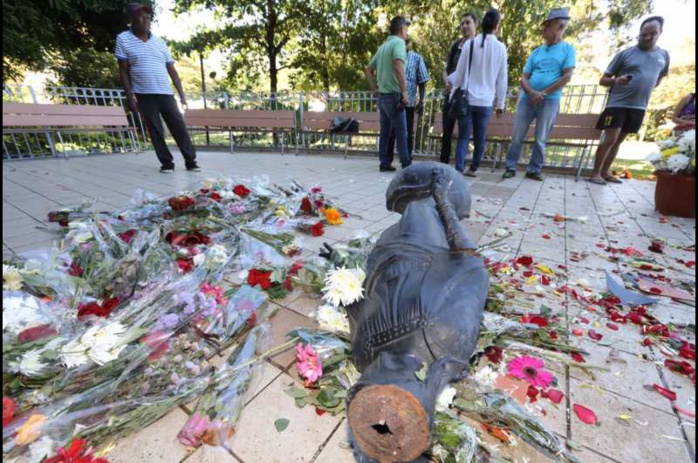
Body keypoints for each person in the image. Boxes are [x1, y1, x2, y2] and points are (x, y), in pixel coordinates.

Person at [115, 2, 200, 174]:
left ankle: (191, 161)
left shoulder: (160, 43)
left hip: (166, 93)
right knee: (155, 131)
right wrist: (131, 98)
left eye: (148, 17)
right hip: (144, 94)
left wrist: (182, 95)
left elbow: (172, 70)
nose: (146, 20)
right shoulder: (123, 39)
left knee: (179, 127)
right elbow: (123, 71)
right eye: (141, 16)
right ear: (132, 18)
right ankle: (167, 163)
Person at [588, 16, 670, 185]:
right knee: (610, 139)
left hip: (639, 106)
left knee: (619, 141)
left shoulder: (663, 56)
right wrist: (616, 80)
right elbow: (603, 80)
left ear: (660, 33)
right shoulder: (625, 54)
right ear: (639, 33)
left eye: (651, 34)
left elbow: (660, 77)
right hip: (617, 104)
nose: (646, 37)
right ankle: (595, 173)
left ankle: (605, 172)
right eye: (643, 34)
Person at [501, 8, 575, 181]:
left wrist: (543, 93)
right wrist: (533, 93)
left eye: (548, 25)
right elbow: (523, 77)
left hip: (550, 101)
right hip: (527, 99)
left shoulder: (567, 50)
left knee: (541, 138)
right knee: (517, 136)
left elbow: (567, 77)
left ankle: (534, 169)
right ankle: (510, 166)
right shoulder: (536, 52)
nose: (544, 29)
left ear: (560, 26)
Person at [448, 8, 508, 176]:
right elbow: (502, 79)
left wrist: (451, 84)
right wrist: (500, 104)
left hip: (467, 99)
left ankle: (458, 170)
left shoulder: (470, 44)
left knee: (463, 137)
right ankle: (473, 168)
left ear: (481, 24)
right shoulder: (501, 48)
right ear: (496, 26)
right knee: (480, 137)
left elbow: (459, 74)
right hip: (486, 102)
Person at [365, 16, 412, 172]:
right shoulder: (399, 43)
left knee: (385, 132)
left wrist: (374, 89)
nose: (407, 32)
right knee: (401, 132)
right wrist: (405, 92)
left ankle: (384, 163)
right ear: (401, 30)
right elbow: (398, 67)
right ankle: (406, 165)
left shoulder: (383, 47)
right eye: (406, 29)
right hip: (394, 96)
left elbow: (368, 70)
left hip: (383, 98)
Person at [440, 12, 478, 165]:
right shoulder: (456, 45)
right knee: (447, 131)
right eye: (462, 23)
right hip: (452, 94)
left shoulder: (479, 45)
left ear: (476, 25)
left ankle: (462, 165)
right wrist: (447, 83)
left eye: (468, 22)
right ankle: (444, 164)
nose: (464, 26)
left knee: (464, 133)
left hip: (469, 96)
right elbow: (446, 69)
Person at [387, 38, 430, 159]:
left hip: (409, 103)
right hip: (393, 100)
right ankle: (387, 160)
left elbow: (422, 81)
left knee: (407, 132)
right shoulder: (392, 58)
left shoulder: (417, 58)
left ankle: (407, 159)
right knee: (391, 132)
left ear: (408, 45)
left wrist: (421, 101)